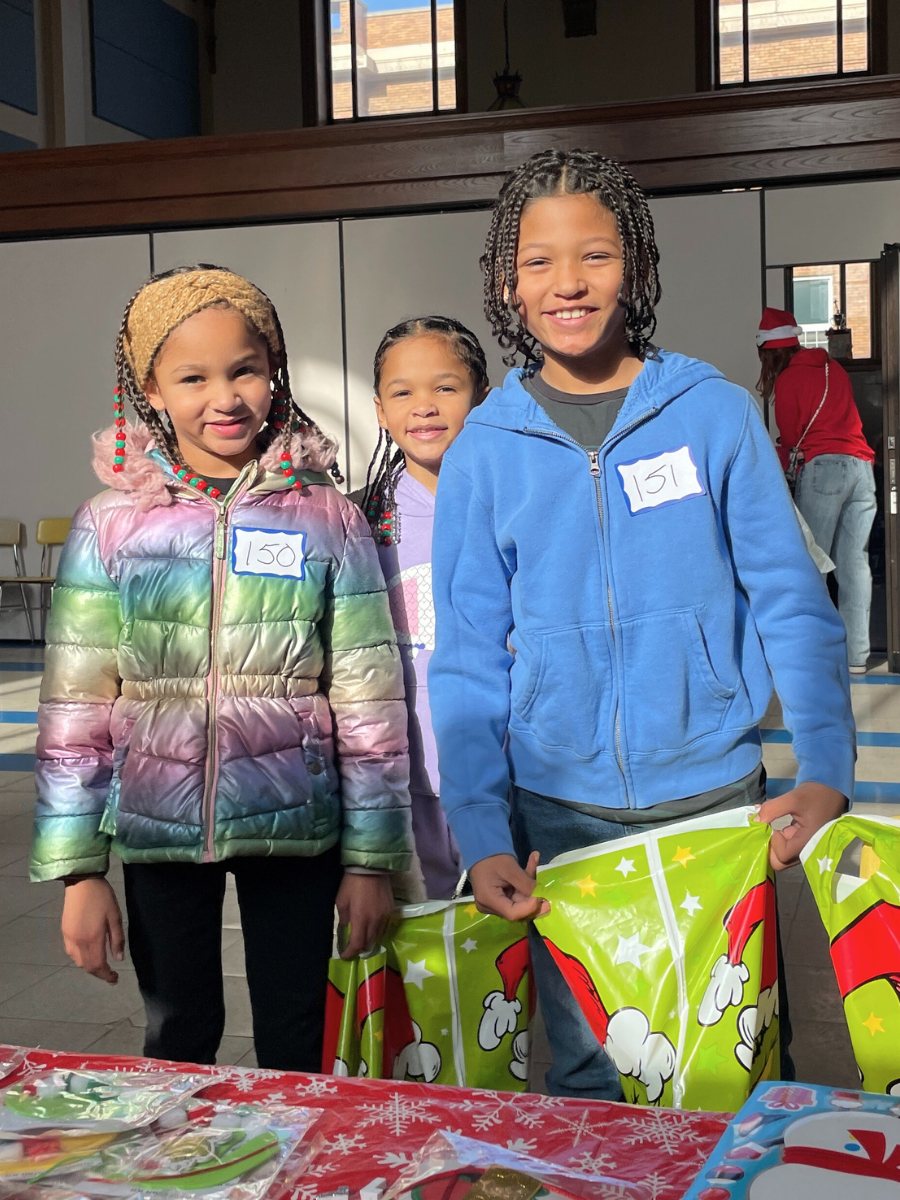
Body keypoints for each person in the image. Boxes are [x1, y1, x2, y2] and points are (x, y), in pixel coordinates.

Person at [428, 149, 855, 1099]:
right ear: (507, 281)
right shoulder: (485, 452)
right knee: (588, 1064)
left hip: (713, 795)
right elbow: (463, 661)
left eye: (596, 256)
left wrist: (826, 765)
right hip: (559, 813)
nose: (568, 283)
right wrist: (479, 827)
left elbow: (789, 598)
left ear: (640, 268)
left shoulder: (714, 413)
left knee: (733, 1053)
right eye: (537, 261)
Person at [31, 265, 412, 1071]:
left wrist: (372, 860)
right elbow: (76, 705)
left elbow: (370, 695)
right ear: (152, 391)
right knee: (176, 1038)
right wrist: (78, 872)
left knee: (298, 1039)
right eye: (192, 376)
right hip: (158, 828)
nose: (225, 396)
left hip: (297, 829)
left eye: (244, 368)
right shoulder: (113, 524)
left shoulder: (326, 516)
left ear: (274, 369)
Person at [353, 317, 490, 899]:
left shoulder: (510, 504)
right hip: (404, 760)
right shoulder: (360, 521)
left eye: (445, 387)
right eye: (403, 392)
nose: (424, 407)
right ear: (380, 410)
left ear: (482, 397)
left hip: (504, 762)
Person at [756, 307, 877, 674]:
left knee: (812, 565)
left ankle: (816, 653)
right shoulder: (834, 369)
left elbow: (793, 441)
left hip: (824, 470)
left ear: (770, 352)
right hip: (862, 467)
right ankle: (857, 656)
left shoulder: (790, 380)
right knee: (855, 565)